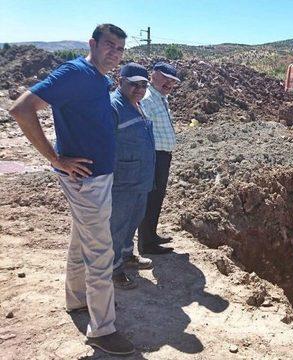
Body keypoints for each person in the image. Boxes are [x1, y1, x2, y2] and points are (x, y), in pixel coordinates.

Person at [9, 24, 134, 355]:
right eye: (109, 46)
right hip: (86, 180)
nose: (115, 53)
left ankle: (77, 300)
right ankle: (102, 330)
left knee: (84, 240)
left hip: (96, 178)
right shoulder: (75, 73)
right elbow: (21, 109)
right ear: (92, 44)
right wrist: (55, 158)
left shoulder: (96, 78)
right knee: (100, 251)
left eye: (120, 49)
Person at [110, 63, 156, 289]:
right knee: (117, 225)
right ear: (121, 82)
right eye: (133, 84)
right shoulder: (114, 107)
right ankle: (114, 269)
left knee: (133, 220)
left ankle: (127, 256)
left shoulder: (137, 105)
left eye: (143, 84)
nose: (139, 88)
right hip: (123, 180)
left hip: (140, 177)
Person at [138, 62, 180, 255]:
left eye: (173, 81)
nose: (169, 84)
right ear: (153, 75)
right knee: (150, 197)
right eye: (166, 79)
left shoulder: (161, 98)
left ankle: (151, 235)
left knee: (157, 197)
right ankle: (146, 244)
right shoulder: (147, 99)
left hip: (162, 156)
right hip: (153, 156)